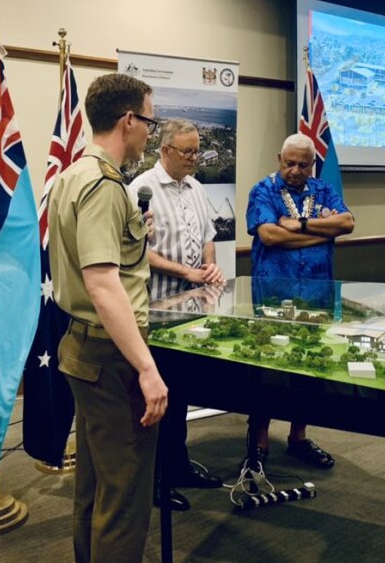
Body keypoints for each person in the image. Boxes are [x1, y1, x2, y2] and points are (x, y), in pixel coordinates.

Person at [49, 73, 168, 563]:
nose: (149, 132)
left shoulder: (74, 175)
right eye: (148, 120)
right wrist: (146, 368)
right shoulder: (101, 185)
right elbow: (102, 284)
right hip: (111, 354)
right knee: (124, 495)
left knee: (96, 485)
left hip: (87, 347)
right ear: (127, 120)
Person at [243, 133, 354, 472]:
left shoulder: (323, 190)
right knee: (269, 369)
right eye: (288, 163)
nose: (294, 170)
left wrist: (301, 224)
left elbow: (347, 222)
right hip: (274, 293)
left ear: (311, 165)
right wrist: (322, 232)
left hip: (317, 294)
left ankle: (298, 437)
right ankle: (258, 442)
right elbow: (269, 235)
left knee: (309, 369)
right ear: (279, 158)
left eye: (302, 165)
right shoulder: (263, 190)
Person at [128, 119, 223, 510]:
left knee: (181, 392)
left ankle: (178, 464)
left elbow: (208, 240)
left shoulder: (198, 189)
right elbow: (135, 251)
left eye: (197, 150)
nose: (195, 158)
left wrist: (211, 268)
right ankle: (154, 480)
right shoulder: (141, 190)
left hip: (193, 313)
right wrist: (186, 272)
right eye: (187, 152)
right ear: (164, 151)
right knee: (155, 399)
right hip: (154, 313)